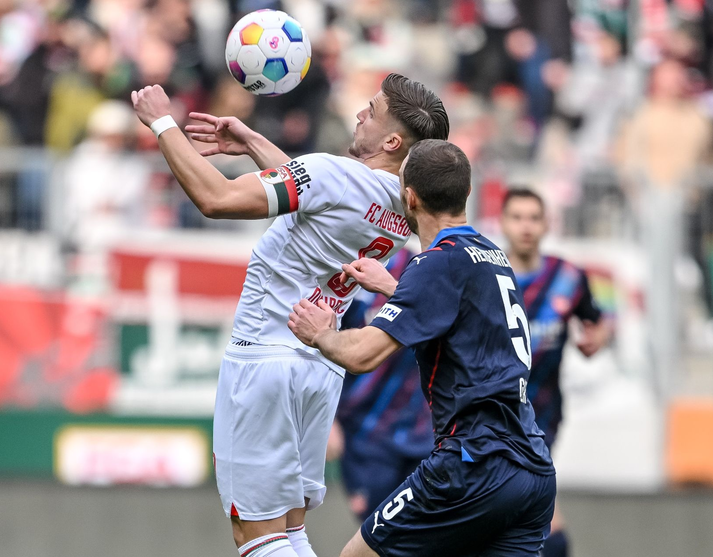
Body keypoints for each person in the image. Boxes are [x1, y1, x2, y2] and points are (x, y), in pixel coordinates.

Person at [130, 74, 449, 557]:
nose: (360, 114)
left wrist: (162, 124)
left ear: (391, 140)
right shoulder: (404, 205)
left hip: (264, 358)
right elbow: (324, 200)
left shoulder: (333, 174)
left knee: (256, 537)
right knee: (290, 531)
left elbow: (217, 198)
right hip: (319, 368)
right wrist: (254, 141)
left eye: (372, 109)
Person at [288, 139, 556, 557]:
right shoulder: (490, 254)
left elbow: (362, 354)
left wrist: (320, 333)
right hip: (531, 468)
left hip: (472, 463)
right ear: (466, 193)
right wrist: (395, 289)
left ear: (408, 198)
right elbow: (459, 322)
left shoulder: (436, 263)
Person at [500, 187, 611, 557]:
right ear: (503, 223)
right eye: (517, 217)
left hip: (542, 416)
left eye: (534, 218)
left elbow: (598, 320)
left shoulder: (567, 277)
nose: (526, 227)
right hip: (488, 416)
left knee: (528, 517)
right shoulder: (486, 274)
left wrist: (598, 337)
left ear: (547, 223)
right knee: (531, 519)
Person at [332, 247, 434, 522]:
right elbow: (320, 343)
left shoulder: (419, 267)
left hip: (423, 433)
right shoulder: (340, 264)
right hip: (366, 435)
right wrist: (327, 420)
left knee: (422, 537)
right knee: (376, 532)